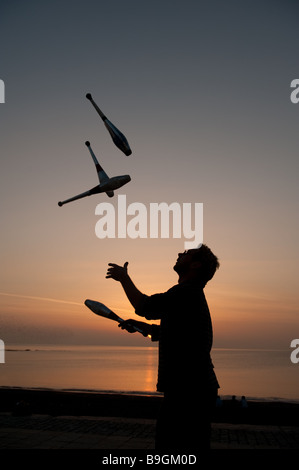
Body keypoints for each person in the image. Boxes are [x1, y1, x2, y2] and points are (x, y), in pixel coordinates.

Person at [106, 244, 220, 452]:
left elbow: (145, 307)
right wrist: (145, 329)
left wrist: (124, 278)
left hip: (188, 390)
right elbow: (181, 334)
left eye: (187, 254)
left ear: (195, 265)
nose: (179, 253)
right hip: (196, 388)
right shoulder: (191, 295)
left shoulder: (185, 292)